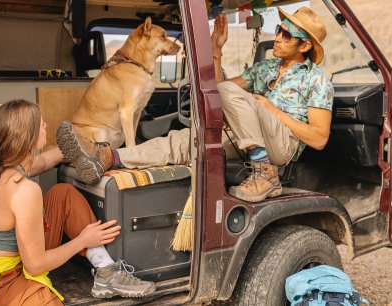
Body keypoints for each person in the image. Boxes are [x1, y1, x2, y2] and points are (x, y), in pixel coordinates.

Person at [57, 7, 333, 203]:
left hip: (282, 146)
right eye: (278, 30)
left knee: (230, 94)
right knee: (185, 140)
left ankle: (264, 172)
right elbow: (216, 92)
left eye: (286, 35)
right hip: (253, 137)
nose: (278, 37)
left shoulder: (316, 79)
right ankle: (109, 158)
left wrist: (271, 111)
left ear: (305, 46)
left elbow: (319, 138)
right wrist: (216, 49)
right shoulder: (267, 68)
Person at [0, 100, 155, 306]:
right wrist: (83, 240)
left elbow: (44, 161)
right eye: (40, 123)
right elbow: (35, 266)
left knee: (62, 193)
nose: (45, 124)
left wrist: (83, 149)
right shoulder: (25, 191)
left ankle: (106, 270)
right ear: (27, 138)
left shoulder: (1, 168)